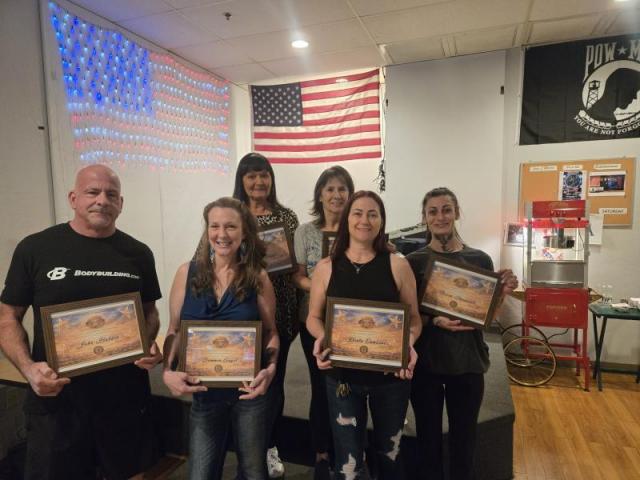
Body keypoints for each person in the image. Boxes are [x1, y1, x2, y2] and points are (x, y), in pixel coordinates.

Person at [0, 165, 163, 480]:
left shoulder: (139, 253)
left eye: (111, 194)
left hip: (124, 399)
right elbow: (7, 317)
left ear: (120, 203)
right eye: (92, 192)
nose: (102, 200)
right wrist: (29, 369)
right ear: (73, 198)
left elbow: (149, 312)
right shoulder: (35, 248)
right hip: (58, 400)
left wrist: (145, 342)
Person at [306, 190, 422, 480]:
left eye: (373, 214)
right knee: (349, 462)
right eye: (358, 213)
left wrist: (407, 345)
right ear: (347, 219)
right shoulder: (325, 267)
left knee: (390, 454)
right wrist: (323, 338)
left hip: (390, 380)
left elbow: (414, 320)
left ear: (382, 221)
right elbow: (313, 318)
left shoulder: (398, 265)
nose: (364, 220)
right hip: (342, 379)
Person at [162, 197, 279, 480]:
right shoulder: (186, 273)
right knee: (200, 474)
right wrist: (167, 371)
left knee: (254, 473)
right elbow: (174, 330)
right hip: (204, 394)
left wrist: (271, 369)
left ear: (244, 232)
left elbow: (271, 332)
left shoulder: (258, 277)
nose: (222, 234)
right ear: (207, 231)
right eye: (215, 226)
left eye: (230, 226)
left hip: (248, 392)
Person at [406, 187, 518, 480]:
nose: (440, 217)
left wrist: (502, 294)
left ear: (456, 212)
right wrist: (434, 321)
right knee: (428, 440)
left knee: (464, 440)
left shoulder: (480, 260)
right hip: (426, 365)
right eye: (433, 211)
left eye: (446, 209)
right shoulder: (413, 262)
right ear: (424, 218)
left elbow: (488, 318)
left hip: (468, 363)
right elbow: (409, 316)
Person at [232, 152, 299, 478]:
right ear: (242, 180)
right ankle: (248, 451)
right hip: (241, 314)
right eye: (251, 175)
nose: (259, 181)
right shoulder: (232, 215)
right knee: (242, 386)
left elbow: (297, 264)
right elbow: (212, 255)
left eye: (264, 175)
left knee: (273, 385)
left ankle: (270, 446)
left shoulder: (287, 217)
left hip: (281, 313)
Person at [292, 166, 355, 479]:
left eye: (342, 189)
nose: (336, 195)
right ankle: (321, 451)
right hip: (314, 319)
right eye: (330, 189)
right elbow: (297, 276)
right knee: (321, 384)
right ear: (320, 194)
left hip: (350, 322)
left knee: (350, 386)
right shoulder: (305, 232)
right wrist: (321, 287)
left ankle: (350, 450)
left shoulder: (358, 229)